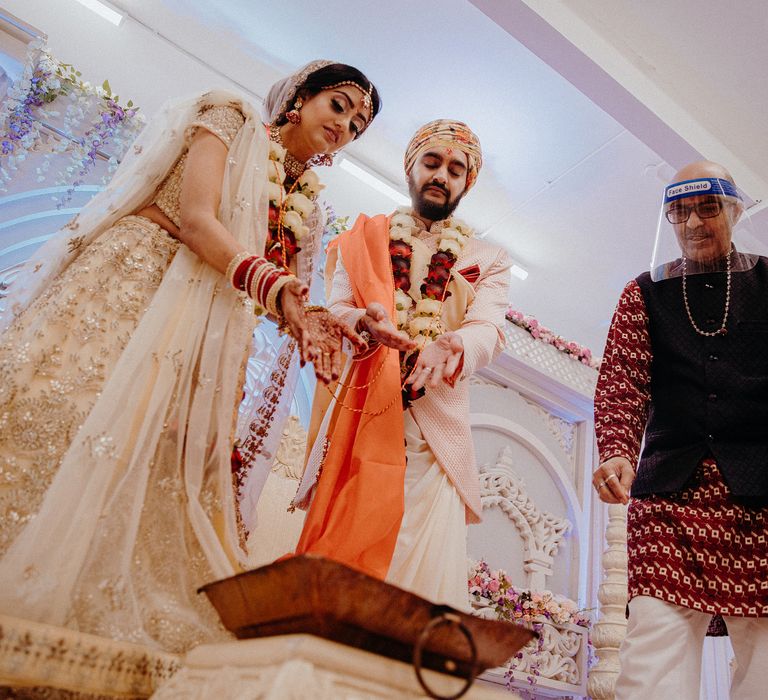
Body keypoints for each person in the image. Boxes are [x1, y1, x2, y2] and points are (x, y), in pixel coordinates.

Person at [0, 60, 380, 653]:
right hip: (133, 287)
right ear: (300, 97)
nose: (346, 125)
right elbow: (197, 221)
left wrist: (331, 318)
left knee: (145, 455)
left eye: (359, 124)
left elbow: (301, 294)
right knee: (66, 418)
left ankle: (77, 605)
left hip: (198, 328)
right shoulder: (227, 114)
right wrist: (277, 290)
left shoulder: (307, 210)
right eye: (339, 104)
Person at [291, 120, 512, 610]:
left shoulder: (488, 259)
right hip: (366, 414)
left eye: (456, 169)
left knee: (419, 581)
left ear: (466, 183)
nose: (442, 175)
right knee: (346, 565)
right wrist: (364, 322)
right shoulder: (361, 238)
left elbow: (491, 329)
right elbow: (337, 308)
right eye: (432, 163)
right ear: (410, 168)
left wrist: (449, 344)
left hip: (437, 433)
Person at [593, 160, 768, 699]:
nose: (694, 222)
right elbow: (622, 380)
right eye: (680, 212)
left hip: (761, 497)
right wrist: (618, 450)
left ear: (734, 210)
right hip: (669, 496)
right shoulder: (642, 292)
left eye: (707, 208)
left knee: (765, 659)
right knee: (653, 656)